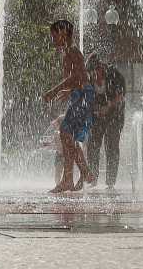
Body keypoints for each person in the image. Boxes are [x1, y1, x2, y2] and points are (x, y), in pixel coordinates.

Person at [41, 18, 92, 193]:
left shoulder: (72, 51)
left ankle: (72, 178)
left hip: (83, 96)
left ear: (63, 33)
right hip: (80, 94)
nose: (52, 39)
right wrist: (70, 91)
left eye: (54, 35)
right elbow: (79, 78)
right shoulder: (69, 51)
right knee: (67, 136)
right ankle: (79, 175)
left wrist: (54, 91)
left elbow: (77, 76)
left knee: (65, 133)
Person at [85, 56, 126, 189]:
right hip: (98, 114)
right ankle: (93, 178)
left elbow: (120, 96)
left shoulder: (114, 74)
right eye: (91, 74)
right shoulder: (90, 78)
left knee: (111, 145)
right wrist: (95, 109)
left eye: (95, 73)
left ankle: (110, 182)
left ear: (101, 68)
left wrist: (108, 107)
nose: (94, 76)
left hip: (115, 114)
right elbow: (86, 96)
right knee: (92, 143)